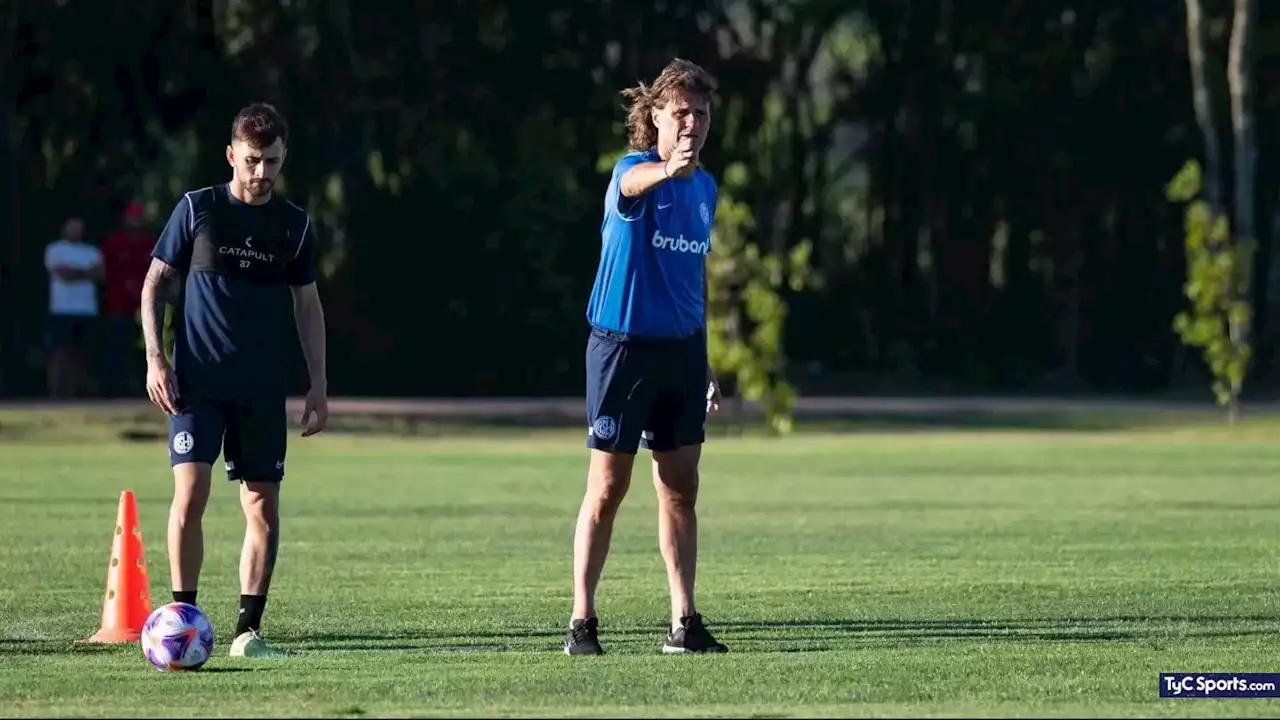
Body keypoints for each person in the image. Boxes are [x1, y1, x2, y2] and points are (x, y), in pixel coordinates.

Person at [139, 102, 329, 659]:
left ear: (283, 156)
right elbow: (154, 286)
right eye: (251, 160)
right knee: (190, 494)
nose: (261, 172)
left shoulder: (293, 226)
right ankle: (183, 618)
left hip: (262, 387)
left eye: (271, 161)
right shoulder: (198, 210)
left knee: (262, 507)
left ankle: (248, 630)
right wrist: (156, 357)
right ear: (231, 155)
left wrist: (318, 383)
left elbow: (309, 306)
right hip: (195, 382)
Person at [565, 58, 727, 656]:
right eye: (681, 111)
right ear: (655, 115)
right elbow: (631, 189)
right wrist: (665, 170)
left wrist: (704, 358)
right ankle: (582, 621)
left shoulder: (704, 189)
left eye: (701, 113)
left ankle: (684, 622)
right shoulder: (632, 172)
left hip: (682, 352)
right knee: (608, 487)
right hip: (622, 349)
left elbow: (691, 276)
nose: (692, 122)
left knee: (680, 486)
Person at [43, 217, 103, 398]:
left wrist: (74, 272)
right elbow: (62, 274)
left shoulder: (92, 251)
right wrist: (86, 273)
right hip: (62, 310)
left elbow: (100, 275)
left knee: (80, 353)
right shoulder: (55, 249)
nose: (76, 231)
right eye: (72, 227)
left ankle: (73, 394)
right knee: (60, 353)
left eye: (79, 228)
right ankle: (56, 393)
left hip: (86, 309)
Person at [100, 202, 156, 397]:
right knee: (118, 347)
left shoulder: (149, 242)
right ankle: (114, 389)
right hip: (118, 304)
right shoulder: (115, 242)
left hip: (144, 305)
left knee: (145, 348)